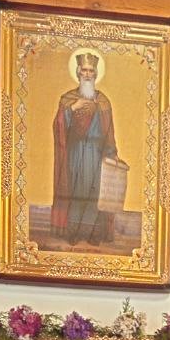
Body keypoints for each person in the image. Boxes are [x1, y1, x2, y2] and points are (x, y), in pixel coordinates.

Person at [51, 50, 119, 247]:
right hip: (74, 154)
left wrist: (112, 153)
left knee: (95, 193)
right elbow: (58, 126)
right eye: (84, 70)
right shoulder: (68, 99)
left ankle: (94, 233)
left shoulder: (103, 101)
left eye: (91, 70)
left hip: (96, 155)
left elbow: (109, 130)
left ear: (96, 73)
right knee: (75, 192)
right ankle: (74, 232)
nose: (87, 74)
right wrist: (73, 107)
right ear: (78, 72)